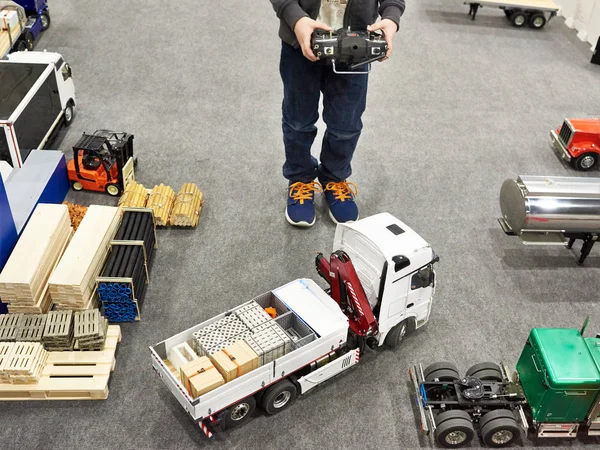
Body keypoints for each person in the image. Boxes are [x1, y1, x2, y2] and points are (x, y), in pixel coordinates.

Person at [269, 0, 406, 227]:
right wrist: (295, 17)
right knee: (297, 121)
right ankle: (300, 178)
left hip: (356, 46)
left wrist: (391, 17)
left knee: (346, 124)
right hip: (300, 41)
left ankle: (334, 177)